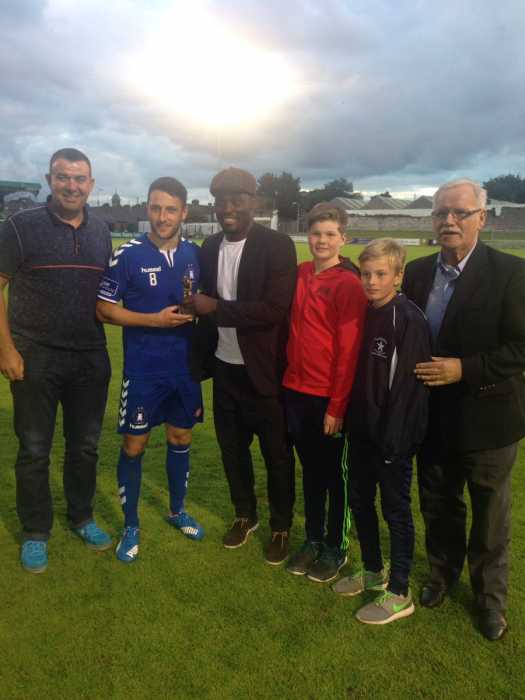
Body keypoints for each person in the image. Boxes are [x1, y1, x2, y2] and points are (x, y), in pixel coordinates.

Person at [402, 178, 525, 641]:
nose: (448, 221)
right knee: (438, 505)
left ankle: (490, 602)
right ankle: (441, 575)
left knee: (490, 516)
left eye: (459, 213)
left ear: (482, 218)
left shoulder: (511, 272)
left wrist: (465, 369)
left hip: (488, 417)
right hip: (430, 416)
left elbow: (521, 346)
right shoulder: (415, 273)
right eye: (440, 213)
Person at [0, 148, 113, 573]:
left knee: (84, 447)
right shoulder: (20, 226)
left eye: (80, 178)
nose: (72, 186)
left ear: (91, 184)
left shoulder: (102, 231)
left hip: (89, 358)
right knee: (34, 449)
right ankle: (35, 531)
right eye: (64, 177)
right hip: (35, 358)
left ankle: (82, 516)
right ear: (49, 179)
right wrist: (6, 349)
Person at [186, 167, 296, 565]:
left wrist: (216, 308)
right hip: (224, 368)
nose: (227, 208)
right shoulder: (209, 245)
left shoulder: (277, 245)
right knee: (232, 452)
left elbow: (274, 310)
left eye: (237, 200)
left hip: (265, 372)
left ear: (254, 201)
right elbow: (198, 304)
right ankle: (245, 515)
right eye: (220, 201)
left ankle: (281, 527)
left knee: (277, 455)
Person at [96, 177, 204, 563]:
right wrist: (153, 321)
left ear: (184, 212)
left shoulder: (195, 254)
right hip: (143, 370)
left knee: (180, 438)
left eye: (170, 209)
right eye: (156, 208)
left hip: (185, 370)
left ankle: (177, 511)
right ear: (148, 209)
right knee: (134, 445)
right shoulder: (127, 254)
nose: (162, 216)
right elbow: (104, 309)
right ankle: (130, 525)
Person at [333, 239, 431, 625]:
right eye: (366, 274)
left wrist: (395, 440)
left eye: (380, 274)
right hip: (362, 432)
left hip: (393, 438)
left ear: (398, 275)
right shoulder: (367, 311)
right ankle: (374, 570)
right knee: (360, 503)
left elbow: (409, 390)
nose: (371, 282)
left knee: (396, 511)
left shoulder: (407, 319)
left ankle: (400, 590)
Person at [283, 203, 367, 582]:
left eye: (330, 234)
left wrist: (337, 406)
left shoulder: (348, 283)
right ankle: (313, 539)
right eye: (316, 233)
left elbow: (349, 351)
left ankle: (337, 546)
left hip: (328, 398)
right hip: (295, 390)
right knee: (311, 472)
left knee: (336, 476)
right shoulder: (300, 273)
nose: (321, 240)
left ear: (343, 239)